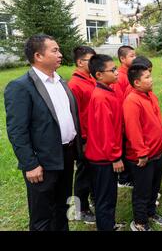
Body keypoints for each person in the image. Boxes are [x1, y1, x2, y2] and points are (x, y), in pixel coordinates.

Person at [4, 34, 81, 231]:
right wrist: (31, 164)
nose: (60, 54)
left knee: (62, 207)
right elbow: (17, 130)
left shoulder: (60, 81)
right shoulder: (21, 87)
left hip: (66, 154)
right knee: (42, 216)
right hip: (42, 162)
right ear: (38, 55)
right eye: (54, 50)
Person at [123, 63, 162, 231]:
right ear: (136, 83)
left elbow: (156, 119)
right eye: (147, 77)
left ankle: (150, 212)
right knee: (142, 190)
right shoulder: (132, 101)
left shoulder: (150, 96)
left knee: (154, 187)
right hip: (143, 157)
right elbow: (133, 130)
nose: (151, 79)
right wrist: (141, 153)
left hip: (156, 152)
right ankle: (140, 222)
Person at [85, 54, 124, 231]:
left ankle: (109, 224)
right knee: (105, 197)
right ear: (99, 75)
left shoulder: (109, 90)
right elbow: (105, 131)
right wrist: (115, 157)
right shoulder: (101, 98)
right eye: (113, 70)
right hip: (103, 158)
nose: (117, 72)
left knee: (110, 195)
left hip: (106, 155)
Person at [68, 46, 97, 224]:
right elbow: (76, 116)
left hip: (96, 135)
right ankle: (81, 209)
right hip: (85, 138)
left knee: (92, 172)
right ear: (80, 62)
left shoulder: (90, 79)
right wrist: (83, 141)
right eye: (91, 60)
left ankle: (93, 198)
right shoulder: (75, 84)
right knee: (83, 174)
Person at [116, 46, 136, 188]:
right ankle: (124, 178)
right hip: (124, 118)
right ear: (123, 59)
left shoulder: (130, 73)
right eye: (131, 56)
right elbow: (119, 101)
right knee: (124, 147)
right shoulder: (120, 77)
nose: (134, 58)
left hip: (130, 116)